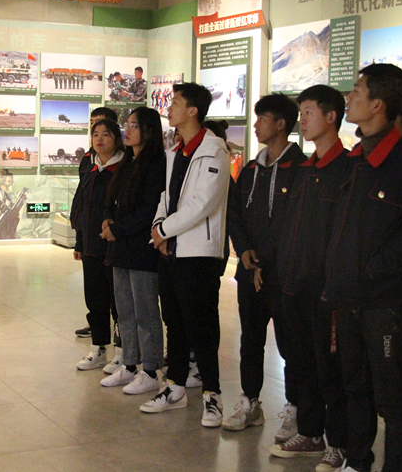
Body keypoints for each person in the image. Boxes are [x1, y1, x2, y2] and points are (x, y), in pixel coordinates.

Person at [324, 64, 402, 472]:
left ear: (377, 104)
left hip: (383, 302)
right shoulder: (355, 159)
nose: (349, 98)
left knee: (390, 399)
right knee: (355, 387)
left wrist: (369, 270)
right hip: (347, 297)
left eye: (356, 91)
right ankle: (358, 461)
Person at [269, 85, 349, 471]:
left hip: (325, 289)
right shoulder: (305, 169)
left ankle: (340, 441)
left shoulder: (346, 169)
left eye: (308, 112)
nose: (302, 119)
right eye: (300, 112)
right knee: (301, 363)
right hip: (293, 284)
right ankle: (311, 432)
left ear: (331, 117)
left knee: (331, 369)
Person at [144, 82, 230, 428]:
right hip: (171, 251)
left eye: (176, 102)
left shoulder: (214, 151)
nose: (170, 107)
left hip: (198, 254)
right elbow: (166, 197)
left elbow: (202, 203)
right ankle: (176, 386)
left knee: (202, 326)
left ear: (193, 111)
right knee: (175, 322)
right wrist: (158, 227)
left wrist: (164, 230)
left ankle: (213, 395)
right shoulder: (175, 151)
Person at [224, 93, 306, 439]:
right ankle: (250, 402)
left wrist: (266, 261)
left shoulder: (301, 169)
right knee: (250, 340)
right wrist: (244, 251)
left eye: (262, 119)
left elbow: (297, 225)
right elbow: (235, 214)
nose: (255, 125)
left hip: (283, 274)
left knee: (291, 344)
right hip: (249, 271)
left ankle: (295, 408)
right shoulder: (251, 170)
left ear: (281, 124)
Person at [99, 107, 166, 394]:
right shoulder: (127, 162)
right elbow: (111, 200)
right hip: (120, 248)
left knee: (145, 312)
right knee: (124, 310)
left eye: (134, 125)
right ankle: (128, 364)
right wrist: (107, 219)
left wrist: (118, 228)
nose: (127, 130)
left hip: (142, 249)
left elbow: (148, 211)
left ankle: (149, 369)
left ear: (149, 130)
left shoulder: (156, 165)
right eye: (127, 125)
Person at [71, 118, 124, 372]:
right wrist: (80, 242)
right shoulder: (91, 170)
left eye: (106, 134)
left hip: (114, 249)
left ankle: (122, 351)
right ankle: (98, 348)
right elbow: (82, 208)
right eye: (95, 135)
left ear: (116, 138)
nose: (100, 139)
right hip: (91, 248)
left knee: (118, 303)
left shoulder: (123, 170)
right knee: (95, 300)